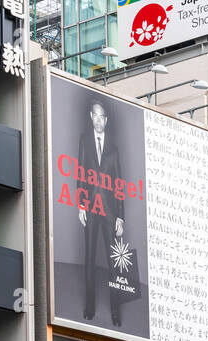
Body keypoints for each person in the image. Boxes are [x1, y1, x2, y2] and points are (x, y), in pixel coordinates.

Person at [77, 98, 125, 328]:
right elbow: (79, 174)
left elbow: (119, 185)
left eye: (101, 116)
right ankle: (89, 307)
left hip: (109, 213)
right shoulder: (84, 142)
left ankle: (116, 311)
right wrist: (80, 205)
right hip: (90, 209)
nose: (98, 119)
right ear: (90, 117)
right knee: (89, 258)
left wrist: (120, 217)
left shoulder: (114, 150)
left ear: (106, 120)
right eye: (94, 115)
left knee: (113, 262)